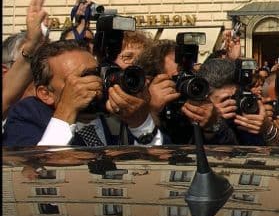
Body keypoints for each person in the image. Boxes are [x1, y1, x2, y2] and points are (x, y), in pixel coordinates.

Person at [4, 40, 162, 146]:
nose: (95, 82)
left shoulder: (115, 110)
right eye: (82, 78)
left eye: (96, 73)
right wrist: (66, 112)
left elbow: (157, 166)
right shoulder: (28, 114)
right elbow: (36, 174)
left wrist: (140, 123)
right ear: (46, 94)